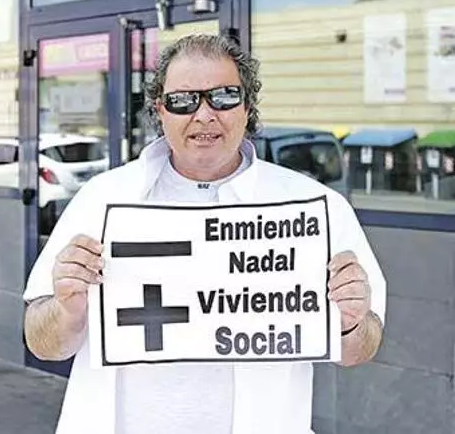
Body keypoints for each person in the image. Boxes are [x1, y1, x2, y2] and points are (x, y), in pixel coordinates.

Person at [22, 34, 387, 434]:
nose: (204, 115)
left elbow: (359, 349)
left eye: (224, 96)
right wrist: (67, 309)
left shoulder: (314, 207)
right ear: (160, 109)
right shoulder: (101, 198)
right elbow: (42, 342)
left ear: (247, 106)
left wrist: (350, 321)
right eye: (183, 100)